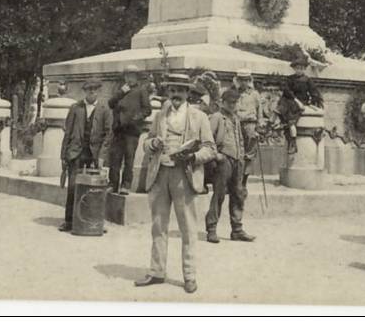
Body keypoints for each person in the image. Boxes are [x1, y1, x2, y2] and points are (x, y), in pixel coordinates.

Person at [135, 73, 216, 294]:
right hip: (160, 174)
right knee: (158, 225)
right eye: (172, 90)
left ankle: (189, 276)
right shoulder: (161, 115)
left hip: (184, 176)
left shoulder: (199, 116)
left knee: (188, 228)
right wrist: (153, 143)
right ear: (168, 93)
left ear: (188, 93)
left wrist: (192, 157)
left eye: (180, 90)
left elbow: (210, 148)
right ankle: (157, 271)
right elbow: (146, 141)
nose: (176, 95)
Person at [57, 78, 113, 232]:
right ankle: (69, 221)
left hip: (94, 155)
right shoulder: (76, 108)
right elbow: (67, 132)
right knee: (73, 187)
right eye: (89, 90)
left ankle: (96, 221)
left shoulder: (104, 109)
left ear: (98, 91)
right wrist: (64, 155)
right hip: (76, 153)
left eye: (94, 90)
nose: (92, 92)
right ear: (85, 91)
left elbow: (108, 135)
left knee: (96, 188)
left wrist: (102, 156)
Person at [205, 88, 256, 243]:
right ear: (223, 102)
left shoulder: (235, 118)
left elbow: (239, 139)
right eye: (231, 102)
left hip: (238, 160)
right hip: (223, 160)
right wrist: (216, 155)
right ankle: (212, 229)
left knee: (238, 194)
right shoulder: (216, 117)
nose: (233, 105)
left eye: (235, 102)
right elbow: (207, 138)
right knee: (219, 194)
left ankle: (237, 229)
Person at [108, 64, 151, 195]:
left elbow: (147, 109)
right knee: (115, 158)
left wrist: (135, 118)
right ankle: (113, 184)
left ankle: (125, 185)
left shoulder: (141, 90)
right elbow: (110, 103)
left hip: (132, 130)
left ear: (136, 78)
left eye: (132, 76)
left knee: (129, 158)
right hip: (118, 129)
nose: (129, 78)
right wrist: (121, 92)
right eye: (127, 76)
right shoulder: (120, 89)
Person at [276, 54, 323, 154]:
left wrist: (312, 102)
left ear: (304, 69)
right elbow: (287, 90)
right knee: (282, 104)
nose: (299, 70)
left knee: (291, 119)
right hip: (290, 100)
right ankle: (272, 123)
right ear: (294, 68)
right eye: (297, 68)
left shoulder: (307, 80)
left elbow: (314, 91)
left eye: (301, 68)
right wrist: (294, 99)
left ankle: (293, 142)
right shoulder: (290, 79)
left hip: (301, 102)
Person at [230, 69, 263, 182]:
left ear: (249, 80)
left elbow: (260, 112)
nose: (244, 82)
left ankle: (244, 180)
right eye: (241, 80)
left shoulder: (254, 94)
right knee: (237, 152)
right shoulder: (233, 93)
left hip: (250, 125)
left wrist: (259, 127)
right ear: (237, 80)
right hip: (236, 125)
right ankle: (235, 179)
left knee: (249, 155)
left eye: (246, 80)